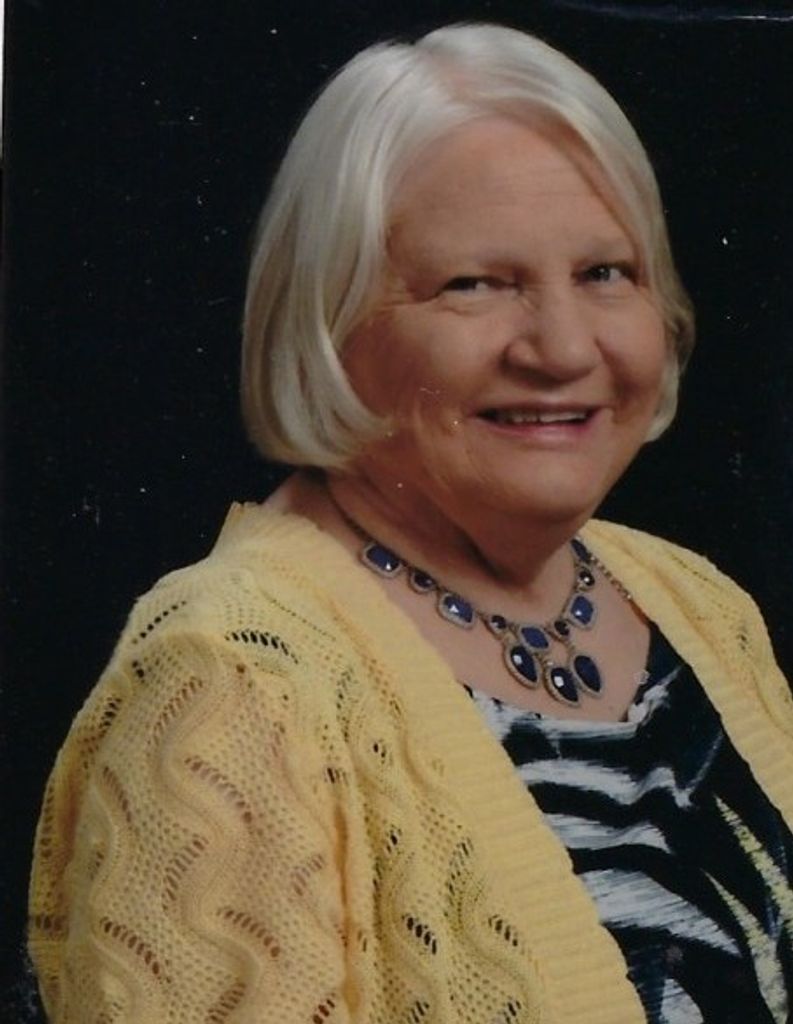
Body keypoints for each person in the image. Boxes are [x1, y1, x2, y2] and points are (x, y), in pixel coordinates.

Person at [28, 22, 793, 1024]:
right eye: (475, 284)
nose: (563, 348)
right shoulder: (233, 681)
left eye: (606, 273)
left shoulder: (694, 604)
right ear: (329, 322)